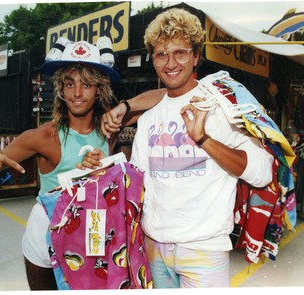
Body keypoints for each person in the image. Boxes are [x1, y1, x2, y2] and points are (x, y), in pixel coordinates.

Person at [87, 8, 275, 288]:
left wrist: (204, 140)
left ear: (196, 56)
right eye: (162, 54)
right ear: (153, 60)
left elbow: (263, 174)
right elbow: (138, 185)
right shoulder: (148, 118)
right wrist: (103, 167)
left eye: (180, 52)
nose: (170, 63)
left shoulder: (222, 107)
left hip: (204, 250)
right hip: (154, 248)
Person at [0, 37, 161, 290]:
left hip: (93, 237)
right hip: (46, 237)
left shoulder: (109, 127)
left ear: (99, 89)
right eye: (69, 84)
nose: (77, 93)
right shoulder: (44, 136)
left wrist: (125, 106)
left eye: (87, 84)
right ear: (60, 89)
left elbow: (166, 95)